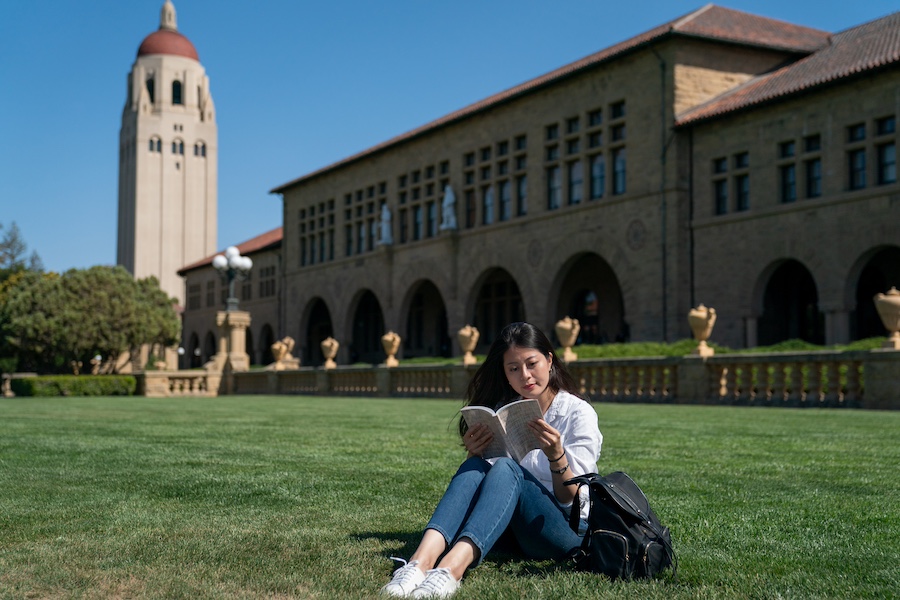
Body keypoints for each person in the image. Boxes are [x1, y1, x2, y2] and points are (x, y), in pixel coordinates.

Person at [381, 322, 603, 598]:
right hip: (511, 528)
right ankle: (419, 563)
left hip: (561, 532)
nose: (525, 376)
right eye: (513, 369)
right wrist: (477, 451)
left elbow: (570, 498)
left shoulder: (577, 413)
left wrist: (557, 456)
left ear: (549, 360)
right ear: (505, 374)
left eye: (532, 364)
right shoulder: (506, 411)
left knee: (507, 468)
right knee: (475, 466)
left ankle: (450, 570)